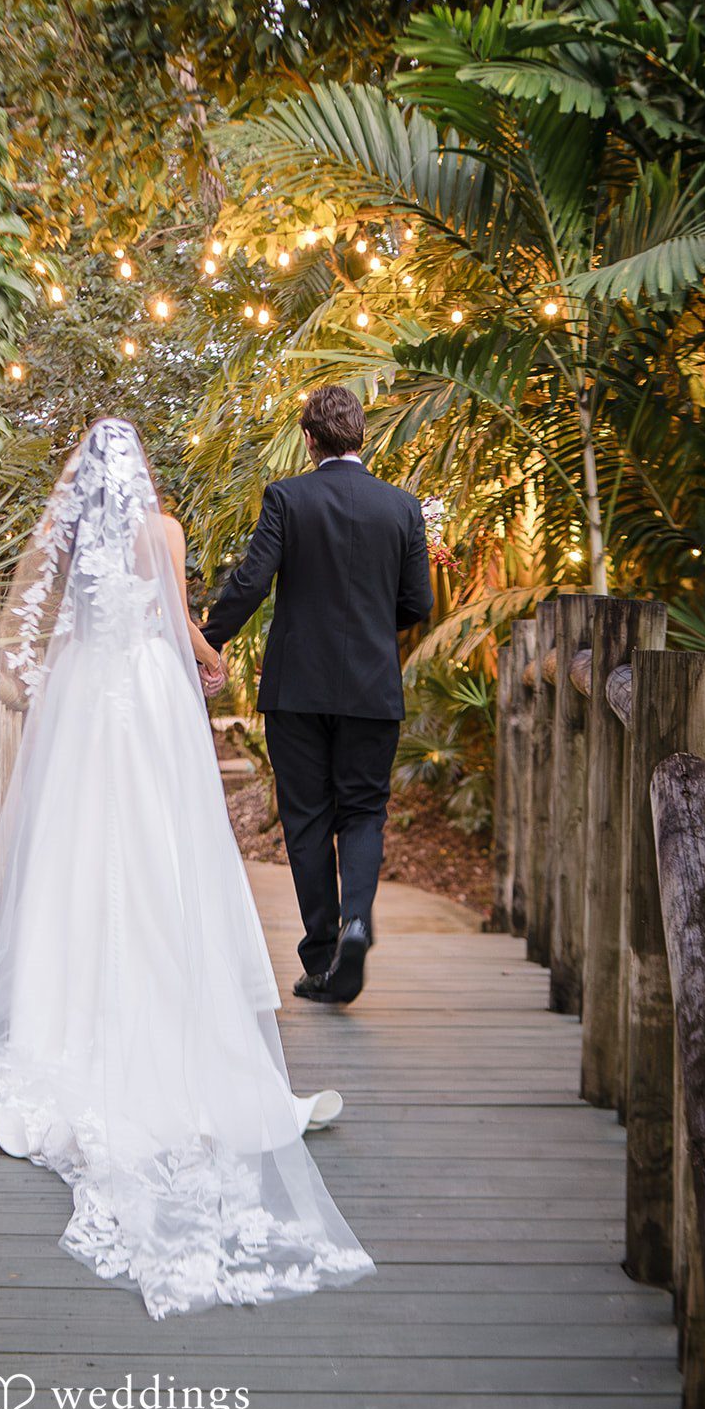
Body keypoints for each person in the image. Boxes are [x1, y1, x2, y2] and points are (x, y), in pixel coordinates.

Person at [0, 417, 374, 1321]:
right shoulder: (165, 532)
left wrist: (63, 670)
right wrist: (210, 657)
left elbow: (48, 615)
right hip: (146, 690)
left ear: (83, 477)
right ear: (138, 471)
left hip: (85, 694)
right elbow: (172, 613)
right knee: (160, 847)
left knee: (77, 853)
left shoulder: (70, 534)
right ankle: (175, 1015)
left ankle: (57, 1023)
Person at [202, 385, 433, 1005]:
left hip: (296, 687)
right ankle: (358, 920)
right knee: (362, 811)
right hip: (372, 687)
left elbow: (251, 582)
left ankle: (321, 958)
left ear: (309, 439)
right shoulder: (402, 508)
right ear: (362, 436)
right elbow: (418, 605)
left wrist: (204, 640)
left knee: (306, 818)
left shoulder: (288, 497)